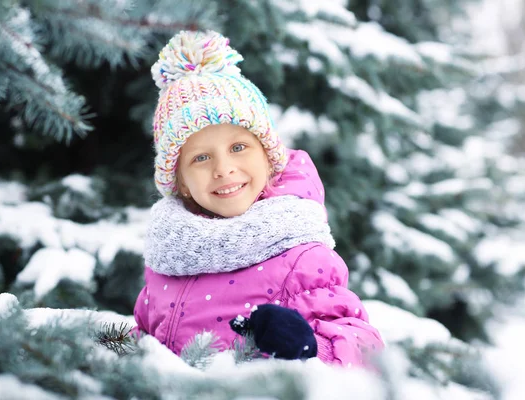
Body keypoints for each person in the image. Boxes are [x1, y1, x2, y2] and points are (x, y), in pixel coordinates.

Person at [133, 30, 384, 368]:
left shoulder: (299, 256)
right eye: (201, 158)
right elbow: (144, 343)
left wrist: (311, 347)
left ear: (268, 157)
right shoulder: (169, 257)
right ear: (181, 183)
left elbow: (365, 349)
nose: (224, 169)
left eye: (238, 147)